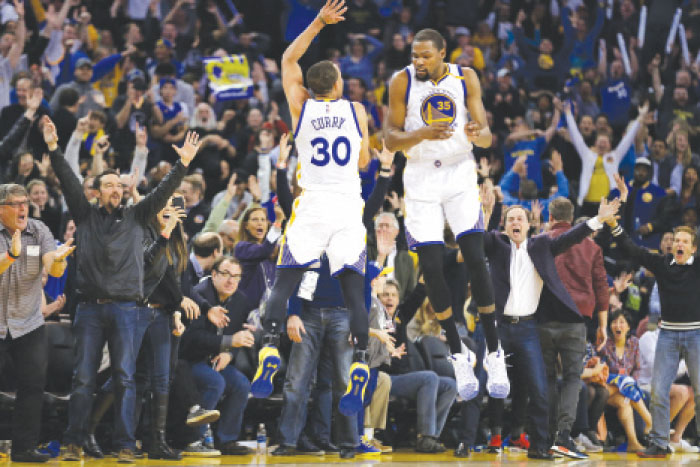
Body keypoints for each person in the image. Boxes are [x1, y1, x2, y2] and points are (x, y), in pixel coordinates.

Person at [41, 117, 201, 463]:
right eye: (108, 184)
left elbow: (161, 192)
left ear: (125, 191)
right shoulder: (84, 214)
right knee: (82, 379)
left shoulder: (138, 215)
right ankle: (74, 442)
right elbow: (68, 180)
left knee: (126, 379)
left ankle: (125, 444)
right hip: (90, 308)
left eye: (119, 185)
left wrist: (183, 163)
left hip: (128, 309)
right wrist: (54, 148)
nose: (115, 189)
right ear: (97, 191)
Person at [249, 0, 372, 418]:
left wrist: (318, 22)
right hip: (346, 207)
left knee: (284, 284)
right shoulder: (355, 111)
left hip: (312, 203)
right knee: (355, 290)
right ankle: (360, 363)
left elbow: (287, 58)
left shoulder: (300, 106)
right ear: (337, 85)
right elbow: (363, 163)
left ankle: (268, 348)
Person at [385, 27, 505, 401]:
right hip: (420, 177)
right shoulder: (400, 81)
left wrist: (477, 132)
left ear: (442, 54)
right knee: (432, 268)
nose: (417, 61)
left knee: (474, 256)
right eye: (414, 55)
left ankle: (495, 352)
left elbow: (486, 136)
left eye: (424, 55)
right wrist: (420, 134)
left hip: (457, 171)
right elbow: (389, 138)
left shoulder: (465, 76)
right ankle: (458, 352)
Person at [480, 189, 620, 459]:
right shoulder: (497, 244)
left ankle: (540, 445)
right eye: (510, 219)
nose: (515, 223)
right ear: (505, 226)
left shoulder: (541, 245)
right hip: (498, 327)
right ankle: (473, 438)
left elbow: (570, 237)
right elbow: (480, 241)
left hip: (529, 328)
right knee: (488, 382)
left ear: (529, 224)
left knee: (540, 388)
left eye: (520, 218)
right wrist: (488, 212)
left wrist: (597, 220)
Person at [605, 197, 700, 458]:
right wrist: (614, 223)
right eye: (676, 240)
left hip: (696, 334)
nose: (678, 244)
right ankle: (659, 442)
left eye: (683, 241)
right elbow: (631, 249)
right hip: (667, 334)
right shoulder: (662, 264)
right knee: (659, 391)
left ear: (693, 248)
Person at [0, 184, 74, 463]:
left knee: (32, 385)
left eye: (25, 203)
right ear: (1, 208)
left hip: (28, 322)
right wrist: (11, 256)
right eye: (16, 203)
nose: (23, 208)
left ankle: (24, 449)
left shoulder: (39, 230)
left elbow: (51, 264)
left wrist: (58, 262)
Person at [543, 197, 610, 458]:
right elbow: (601, 287)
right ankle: (563, 437)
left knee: (547, 378)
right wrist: (602, 324)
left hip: (544, 319)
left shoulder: (541, 240)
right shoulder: (591, 247)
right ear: (571, 218)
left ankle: (546, 436)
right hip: (575, 320)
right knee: (572, 379)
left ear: (550, 216)